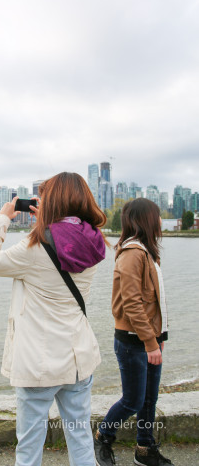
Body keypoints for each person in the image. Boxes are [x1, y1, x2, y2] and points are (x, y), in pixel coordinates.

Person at [0, 172, 108, 466]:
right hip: (78, 360)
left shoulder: (33, 248)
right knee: (81, 438)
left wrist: (1, 219)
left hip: (39, 363)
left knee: (30, 446)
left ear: (53, 202)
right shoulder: (94, 241)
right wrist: (46, 223)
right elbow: (63, 244)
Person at [94, 198, 174, 466]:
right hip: (133, 342)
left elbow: (156, 303)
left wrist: (160, 338)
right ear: (147, 220)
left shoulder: (148, 253)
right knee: (132, 401)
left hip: (150, 339)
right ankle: (103, 437)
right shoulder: (131, 254)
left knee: (149, 399)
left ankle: (145, 449)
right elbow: (132, 304)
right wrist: (151, 343)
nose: (161, 221)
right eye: (158, 216)